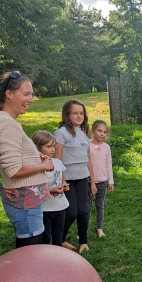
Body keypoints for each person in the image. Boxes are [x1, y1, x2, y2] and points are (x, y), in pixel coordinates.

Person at [0, 71, 53, 249]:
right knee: (30, 255)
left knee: (29, 252)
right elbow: (13, 170)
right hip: (25, 202)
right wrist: (42, 165)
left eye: (32, 94)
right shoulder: (6, 124)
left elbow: (10, 154)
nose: (32, 99)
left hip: (22, 200)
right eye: (26, 94)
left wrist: (36, 156)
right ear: (9, 94)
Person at [54, 99, 97, 255]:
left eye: (82, 113)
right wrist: (62, 180)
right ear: (67, 114)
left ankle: (83, 242)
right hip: (68, 179)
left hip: (82, 178)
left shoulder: (84, 134)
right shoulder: (61, 133)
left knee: (83, 211)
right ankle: (59, 239)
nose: (79, 116)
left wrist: (92, 181)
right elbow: (57, 160)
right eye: (75, 113)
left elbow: (88, 159)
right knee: (72, 212)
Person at [32, 130, 69, 246]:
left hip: (60, 206)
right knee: (46, 237)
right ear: (37, 147)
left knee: (58, 236)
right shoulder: (35, 167)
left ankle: (57, 261)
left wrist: (64, 185)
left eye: (53, 146)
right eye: (48, 146)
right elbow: (35, 188)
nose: (53, 149)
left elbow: (62, 179)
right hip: (44, 208)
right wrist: (51, 190)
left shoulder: (58, 162)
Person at [85, 120, 114, 239]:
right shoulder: (87, 146)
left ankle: (99, 229)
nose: (102, 134)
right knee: (86, 207)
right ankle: (84, 230)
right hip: (87, 181)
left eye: (105, 132)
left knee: (100, 205)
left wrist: (110, 181)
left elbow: (108, 165)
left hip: (102, 181)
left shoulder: (106, 147)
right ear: (93, 130)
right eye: (99, 130)